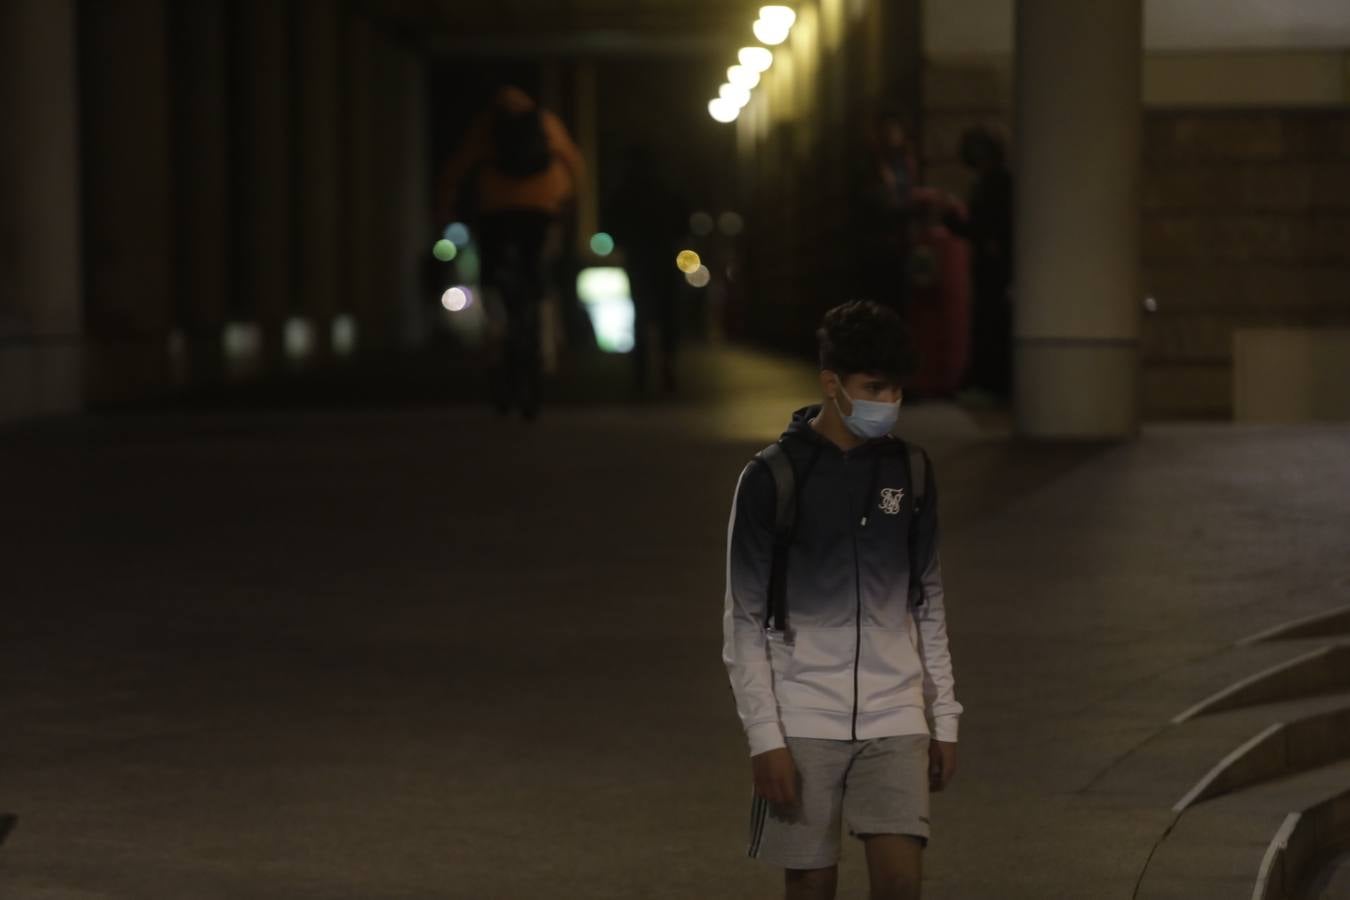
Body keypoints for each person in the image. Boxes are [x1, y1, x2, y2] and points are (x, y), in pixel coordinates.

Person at [722, 300, 962, 900]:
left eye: (896, 388)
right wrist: (765, 739)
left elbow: (927, 600)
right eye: (873, 387)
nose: (889, 401)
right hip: (802, 719)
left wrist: (945, 715)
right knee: (810, 885)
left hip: (896, 715)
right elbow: (744, 620)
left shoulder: (911, 472)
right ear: (832, 385)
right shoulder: (771, 478)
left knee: (902, 883)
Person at [436, 86, 585, 419]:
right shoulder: (544, 121)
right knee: (534, 272)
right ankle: (541, 336)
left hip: (496, 208)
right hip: (540, 207)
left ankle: (496, 329)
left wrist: (445, 204)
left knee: (492, 276)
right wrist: (568, 201)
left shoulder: (488, 124)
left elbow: (459, 166)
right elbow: (573, 161)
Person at [604, 144, 687, 395]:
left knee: (640, 313)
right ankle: (667, 365)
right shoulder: (668, 187)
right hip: (665, 256)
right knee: (668, 313)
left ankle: (640, 374)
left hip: (638, 258)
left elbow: (613, 223)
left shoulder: (626, 190)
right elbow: (683, 222)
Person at [944, 127, 1013, 401]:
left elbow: (983, 226)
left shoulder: (995, 183)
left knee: (991, 321)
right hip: (990, 263)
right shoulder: (993, 181)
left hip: (994, 265)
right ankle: (988, 382)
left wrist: (954, 222)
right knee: (989, 320)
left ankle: (991, 383)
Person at [849, 111, 918, 314]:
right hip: (879, 239)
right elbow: (866, 198)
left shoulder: (906, 161)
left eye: (896, 129)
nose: (892, 135)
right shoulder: (872, 163)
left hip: (901, 238)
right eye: (888, 130)